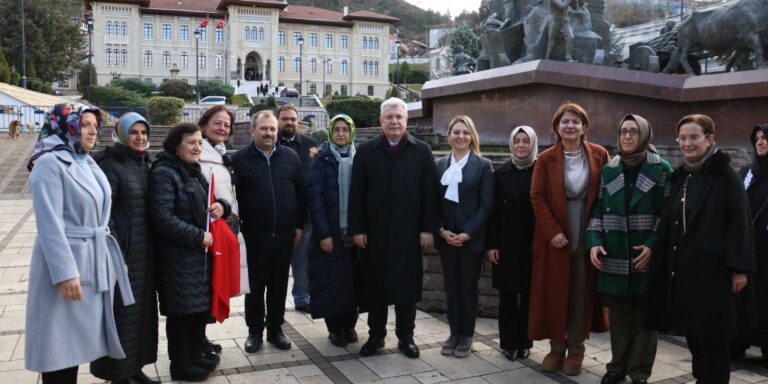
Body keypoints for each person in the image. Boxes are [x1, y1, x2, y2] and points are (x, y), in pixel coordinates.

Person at [25, 103, 134, 384]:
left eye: (95, 126)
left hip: (92, 260)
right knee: (59, 348)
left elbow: (101, 217)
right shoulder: (49, 163)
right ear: (67, 126)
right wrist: (65, 273)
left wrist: (112, 257)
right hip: (67, 267)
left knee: (75, 347)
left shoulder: (87, 161)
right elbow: (49, 224)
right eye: (85, 124)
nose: (93, 131)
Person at [647, 114, 755, 383]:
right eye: (682, 138)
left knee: (713, 340)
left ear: (710, 139)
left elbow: (739, 222)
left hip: (713, 273)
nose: (687, 143)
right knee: (694, 336)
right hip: (685, 274)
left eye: (694, 137)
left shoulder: (724, 175)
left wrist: (739, 268)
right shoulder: (682, 175)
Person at [349, 97, 440, 358]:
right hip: (374, 234)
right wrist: (357, 229)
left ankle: (406, 336)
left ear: (406, 121)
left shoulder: (421, 150)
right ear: (381, 121)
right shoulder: (366, 152)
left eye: (399, 117)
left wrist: (427, 229)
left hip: (409, 234)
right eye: (389, 117)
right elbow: (356, 194)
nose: (394, 121)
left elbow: (429, 193)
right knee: (375, 287)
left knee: (406, 289)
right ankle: (376, 335)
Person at [586, 114, 671, 384]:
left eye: (634, 131)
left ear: (645, 135)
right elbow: (598, 208)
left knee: (646, 319)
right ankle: (616, 368)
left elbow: (667, 215)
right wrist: (594, 241)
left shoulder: (661, 168)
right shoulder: (610, 169)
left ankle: (639, 373)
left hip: (644, 256)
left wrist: (652, 246)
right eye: (623, 131)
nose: (627, 136)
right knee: (620, 318)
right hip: (614, 254)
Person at [529, 102, 610, 376]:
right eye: (565, 122)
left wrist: (597, 232)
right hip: (557, 233)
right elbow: (537, 197)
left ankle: (576, 349)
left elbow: (605, 196)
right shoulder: (545, 158)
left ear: (585, 127)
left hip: (588, 231)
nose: (570, 126)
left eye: (576, 121)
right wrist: (552, 231)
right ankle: (556, 347)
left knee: (580, 293)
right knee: (555, 291)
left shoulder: (599, 155)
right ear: (556, 127)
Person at [149, 123, 230, 382]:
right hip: (178, 257)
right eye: (191, 143)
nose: (197, 147)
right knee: (181, 313)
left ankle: (196, 354)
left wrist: (222, 206)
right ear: (176, 145)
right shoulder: (164, 172)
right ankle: (180, 364)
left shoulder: (193, 170)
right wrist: (198, 237)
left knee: (196, 309)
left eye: (199, 142)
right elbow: (162, 217)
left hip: (197, 255)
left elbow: (210, 200)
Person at [91, 112, 159, 384]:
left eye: (144, 133)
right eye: (134, 133)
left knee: (141, 314)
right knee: (121, 315)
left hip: (145, 251)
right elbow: (104, 213)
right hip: (124, 252)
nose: (140, 138)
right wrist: (115, 255)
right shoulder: (112, 163)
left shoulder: (144, 162)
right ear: (122, 134)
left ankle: (134, 368)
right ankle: (118, 375)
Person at [232, 110, 307, 353]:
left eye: (272, 129)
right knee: (255, 286)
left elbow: (300, 192)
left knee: (278, 285)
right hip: (255, 234)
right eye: (264, 129)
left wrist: (298, 224)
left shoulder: (290, 157)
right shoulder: (240, 159)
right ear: (253, 130)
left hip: (285, 233)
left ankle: (276, 329)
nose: (269, 133)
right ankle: (255, 331)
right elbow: (234, 198)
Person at [435, 115, 494, 358]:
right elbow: (432, 201)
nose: (460, 136)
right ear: (449, 135)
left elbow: (486, 205)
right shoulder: (438, 164)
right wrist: (440, 229)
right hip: (446, 236)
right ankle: (453, 332)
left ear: (472, 137)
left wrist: (468, 233)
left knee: (468, 287)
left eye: (465, 132)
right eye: (456, 132)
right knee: (451, 287)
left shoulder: (483, 165)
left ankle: (466, 335)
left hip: (471, 239)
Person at [308, 114, 362, 347]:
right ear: (331, 132)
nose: (341, 134)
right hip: (331, 233)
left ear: (351, 133)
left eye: (345, 130)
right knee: (332, 283)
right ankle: (335, 329)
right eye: (337, 129)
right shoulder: (321, 159)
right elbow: (315, 199)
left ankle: (350, 325)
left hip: (354, 234)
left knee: (353, 283)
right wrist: (323, 234)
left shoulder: (360, 158)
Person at [486, 125, 538, 362]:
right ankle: (508, 343)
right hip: (506, 245)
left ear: (533, 144)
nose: (520, 145)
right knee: (507, 296)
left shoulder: (541, 171)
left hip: (533, 244)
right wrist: (492, 244)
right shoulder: (500, 173)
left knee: (528, 296)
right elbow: (493, 213)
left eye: (525, 141)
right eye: (516, 140)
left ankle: (525, 341)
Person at [197, 106, 242, 360]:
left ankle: (201, 338)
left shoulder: (222, 154)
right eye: (217, 123)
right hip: (208, 228)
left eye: (226, 124)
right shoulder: (200, 151)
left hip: (223, 225)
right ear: (204, 125)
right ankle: (197, 340)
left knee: (212, 286)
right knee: (204, 288)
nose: (223, 128)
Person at [276, 104, 319, 314]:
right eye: (285, 119)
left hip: (306, 213)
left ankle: (302, 297)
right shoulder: (270, 143)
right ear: (278, 121)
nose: (289, 123)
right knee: (278, 262)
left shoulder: (310, 145)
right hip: (279, 214)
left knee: (302, 260)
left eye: (293, 119)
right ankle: (274, 302)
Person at [737, 123, 768, 361]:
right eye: (756, 138)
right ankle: (738, 342)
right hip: (746, 248)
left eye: (765, 137)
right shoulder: (747, 172)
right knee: (742, 297)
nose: (760, 142)